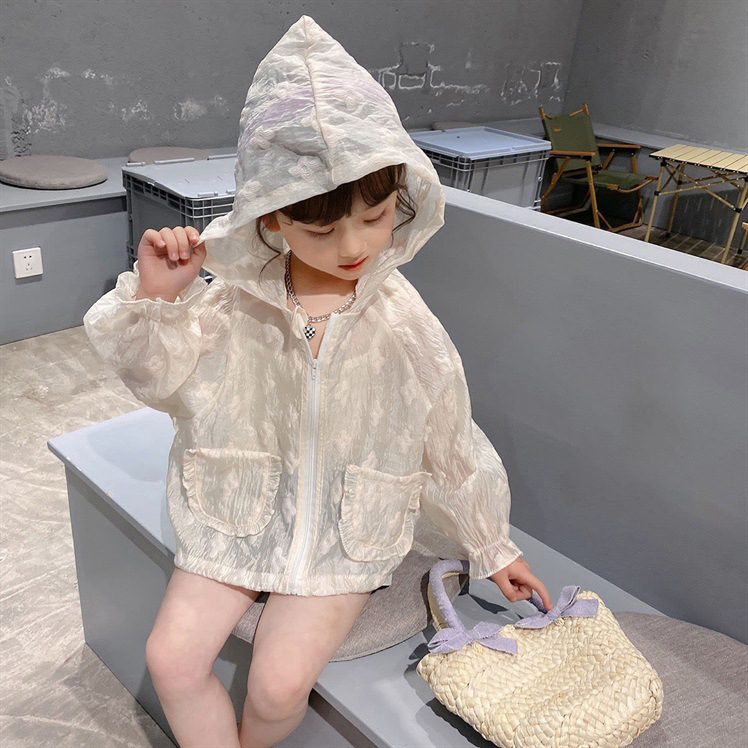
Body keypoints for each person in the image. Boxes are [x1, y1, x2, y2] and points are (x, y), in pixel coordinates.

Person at [83, 15, 551, 748]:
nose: (354, 245)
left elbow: (447, 434)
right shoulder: (234, 302)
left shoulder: (401, 319)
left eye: (376, 216)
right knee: (171, 660)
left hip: (345, 529)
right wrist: (157, 300)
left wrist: (493, 546)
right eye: (321, 230)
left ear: (403, 196)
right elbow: (157, 380)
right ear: (272, 220)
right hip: (237, 507)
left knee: (276, 689)